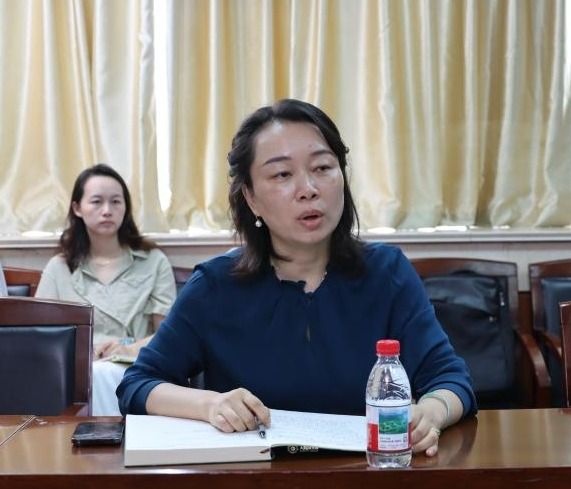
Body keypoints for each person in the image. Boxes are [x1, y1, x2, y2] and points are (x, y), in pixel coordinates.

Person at [117, 99, 477, 457]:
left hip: (366, 473)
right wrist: (210, 404)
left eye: (322, 167)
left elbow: (451, 379)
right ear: (251, 197)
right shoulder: (215, 286)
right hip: (253, 477)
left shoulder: (387, 272)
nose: (308, 188)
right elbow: (138, 384)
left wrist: (431, 412)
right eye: (282, 175)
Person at [36, 163, 176, 415]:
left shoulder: (153, 261)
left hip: (136, 365)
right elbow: (39, 337)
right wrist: (82, 354)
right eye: (97, 201)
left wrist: (128, 349)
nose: (107, 210)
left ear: (126, 208)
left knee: (105, 374)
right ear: (77, 208)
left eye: (116, 202)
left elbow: (167, 333)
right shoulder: (59, 267)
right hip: (75, 372)